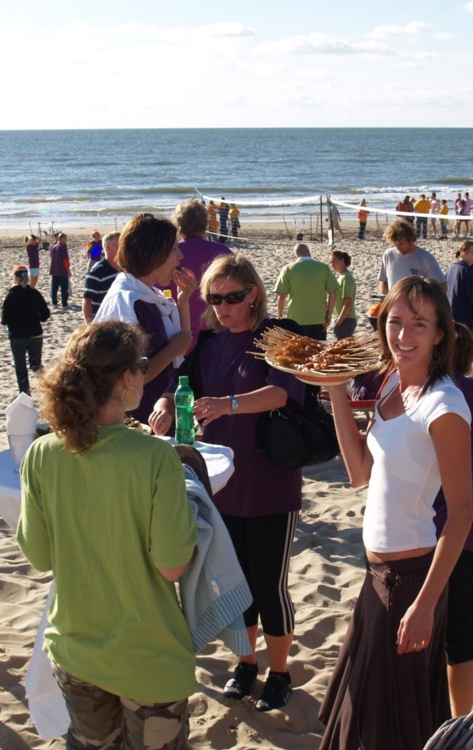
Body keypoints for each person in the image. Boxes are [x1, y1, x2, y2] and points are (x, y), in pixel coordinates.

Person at [18, 321, 199, 749]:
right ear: (125, 380)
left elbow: (39, 557)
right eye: (141, 365)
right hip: (147, 656)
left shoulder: (41, 453)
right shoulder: (155, 457)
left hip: (75, 650)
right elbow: (172, 566)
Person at [318, 275, 473, 749]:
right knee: (367, 716)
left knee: (389, 726)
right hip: (375, 575)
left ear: (440, 334)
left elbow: (462, 514)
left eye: (419, 324)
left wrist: (425, 604)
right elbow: (359, 472)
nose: (403, 335)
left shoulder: (444, 406)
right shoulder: (391, 386)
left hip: (409, 581)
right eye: (396, 321)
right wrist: (337, 389)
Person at [149, 254, 306, 712]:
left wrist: (228, 404)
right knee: (236, 582)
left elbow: (281, 392)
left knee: (270, 584)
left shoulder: (278, 336)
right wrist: (165, 403)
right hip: (222, 482)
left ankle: (280, 671)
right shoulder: (210, 343)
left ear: (253, 293)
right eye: (215, 300)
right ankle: (246, 662)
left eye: (233, 298)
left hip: (270, 480)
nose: (223, 308)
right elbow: (180, 383)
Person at [435, 323, 473, 717]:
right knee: (461, 629)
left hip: (433, 520)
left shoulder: (434, 392)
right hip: (469, 522)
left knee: (434, 626)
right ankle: (461, 716)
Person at [93, 214, 196, 424]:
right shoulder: (127, 301)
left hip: (159, 408)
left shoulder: (148, 294)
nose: (180, 256)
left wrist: (183, 301)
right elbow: (130, 376)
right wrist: (173, 348)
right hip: (137, 417)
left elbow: (183, 344)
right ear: (155, 254)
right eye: (174, 248)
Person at [170, 199, 232, 347]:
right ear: (206, 223)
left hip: (178, 330)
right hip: (217, 329)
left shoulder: (170, 253)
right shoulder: (222, 252)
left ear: (178, 225)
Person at [1, 265, 51, 395]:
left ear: (15, 279)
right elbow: (45, 315)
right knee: (37, 366)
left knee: (20, 367)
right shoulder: (35, 293)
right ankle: (47, 389)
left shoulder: (11, 295)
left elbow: (5, 319)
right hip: (35, 334)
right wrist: (35, 317)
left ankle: (25, 394)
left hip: (18, 336)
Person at [275, 243, 339, 340]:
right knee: (319, 348)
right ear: (309, 252)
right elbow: (333, 293)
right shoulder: (324, 268)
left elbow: (282, 296)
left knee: (298, 349)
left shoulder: (288, 269)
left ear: (295, 255)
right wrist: (329, 315)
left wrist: (280, 317)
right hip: (319, 319)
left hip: (296, 320)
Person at [378, 218, 446, 295]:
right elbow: (383, 282)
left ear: (410, 239)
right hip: (393, 302)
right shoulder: (388, 255)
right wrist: (385, 297)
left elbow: (443, 287)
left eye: (401, 243)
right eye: (395, 243)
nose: (397, 247)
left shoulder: (425, 258)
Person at [82, 231, 121, 324]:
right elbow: (87, 298)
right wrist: (89, 322)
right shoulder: (97, 271)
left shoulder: (125, 267)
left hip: (120, 321)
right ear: (108, 248)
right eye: (118, 246)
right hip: (103, 322)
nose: (122, 249)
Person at [446, 241, 473, 329]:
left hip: (450, 314)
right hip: (464, 317)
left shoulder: (452, 268)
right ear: (464, 254)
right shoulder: (467, 271)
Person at [330, 250, 358, 340]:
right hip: (341, 318)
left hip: (345, 319)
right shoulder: (341, 276)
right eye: (330, 262)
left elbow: (348, 303)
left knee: (343, 346)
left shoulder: (346, 277)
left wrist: (339, 321)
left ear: (342, 261)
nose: (332, 265)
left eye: (334, 261)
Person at [49, 232, 71, 309]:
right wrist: (68, 270)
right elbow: (65, 260)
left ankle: (54, 303)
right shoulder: (62, 247)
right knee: (64, 288)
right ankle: (64, 304)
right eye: (65, 239)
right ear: (61, 239)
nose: (66, 240)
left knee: (54, 288)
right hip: (62, 271)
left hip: (54, 270)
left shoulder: (53, 246)